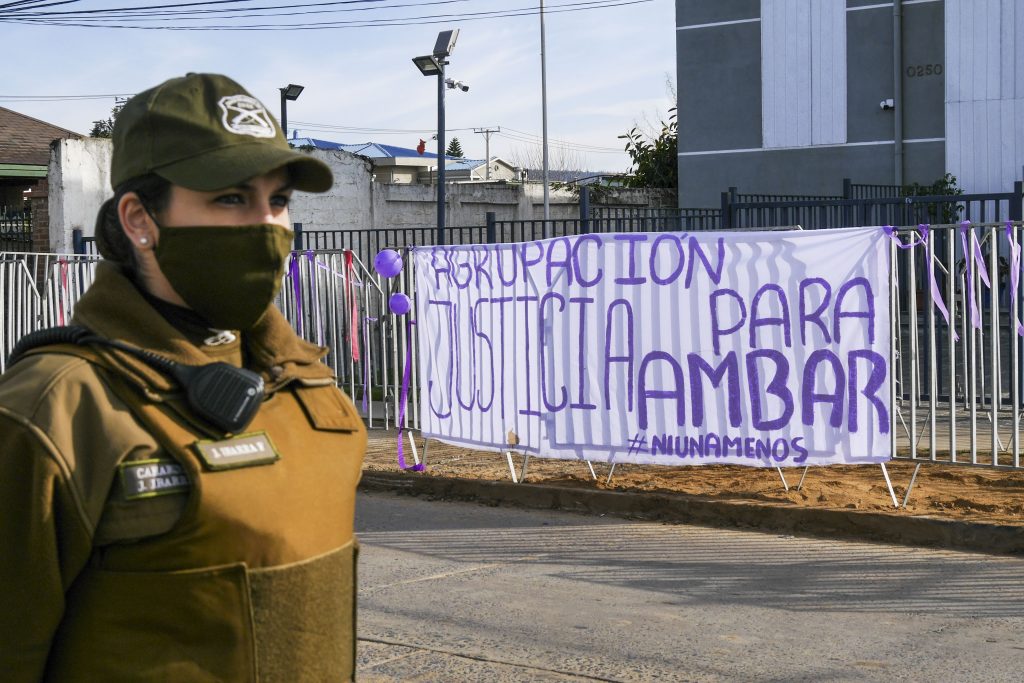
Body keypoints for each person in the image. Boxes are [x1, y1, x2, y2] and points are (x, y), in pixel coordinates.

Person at [0, 73, 367, 681]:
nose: (268, 226)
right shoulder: (55, 410)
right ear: (140, 219)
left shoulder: (309, 385)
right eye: (230, 198)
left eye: (278, 201)